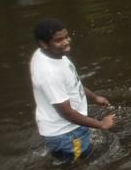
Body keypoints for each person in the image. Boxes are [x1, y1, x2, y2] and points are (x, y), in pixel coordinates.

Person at [30, 19, 116, 162]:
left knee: (69, 162)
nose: (66, 42)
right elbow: (66, 113)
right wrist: (101, 124)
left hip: (65, 131)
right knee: (79, 166)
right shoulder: (48, 73)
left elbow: (72, 82)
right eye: (59, 40)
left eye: (66, 36)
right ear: (43, 44)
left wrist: (94, 97)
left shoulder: (51, 54)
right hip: (68, 134)